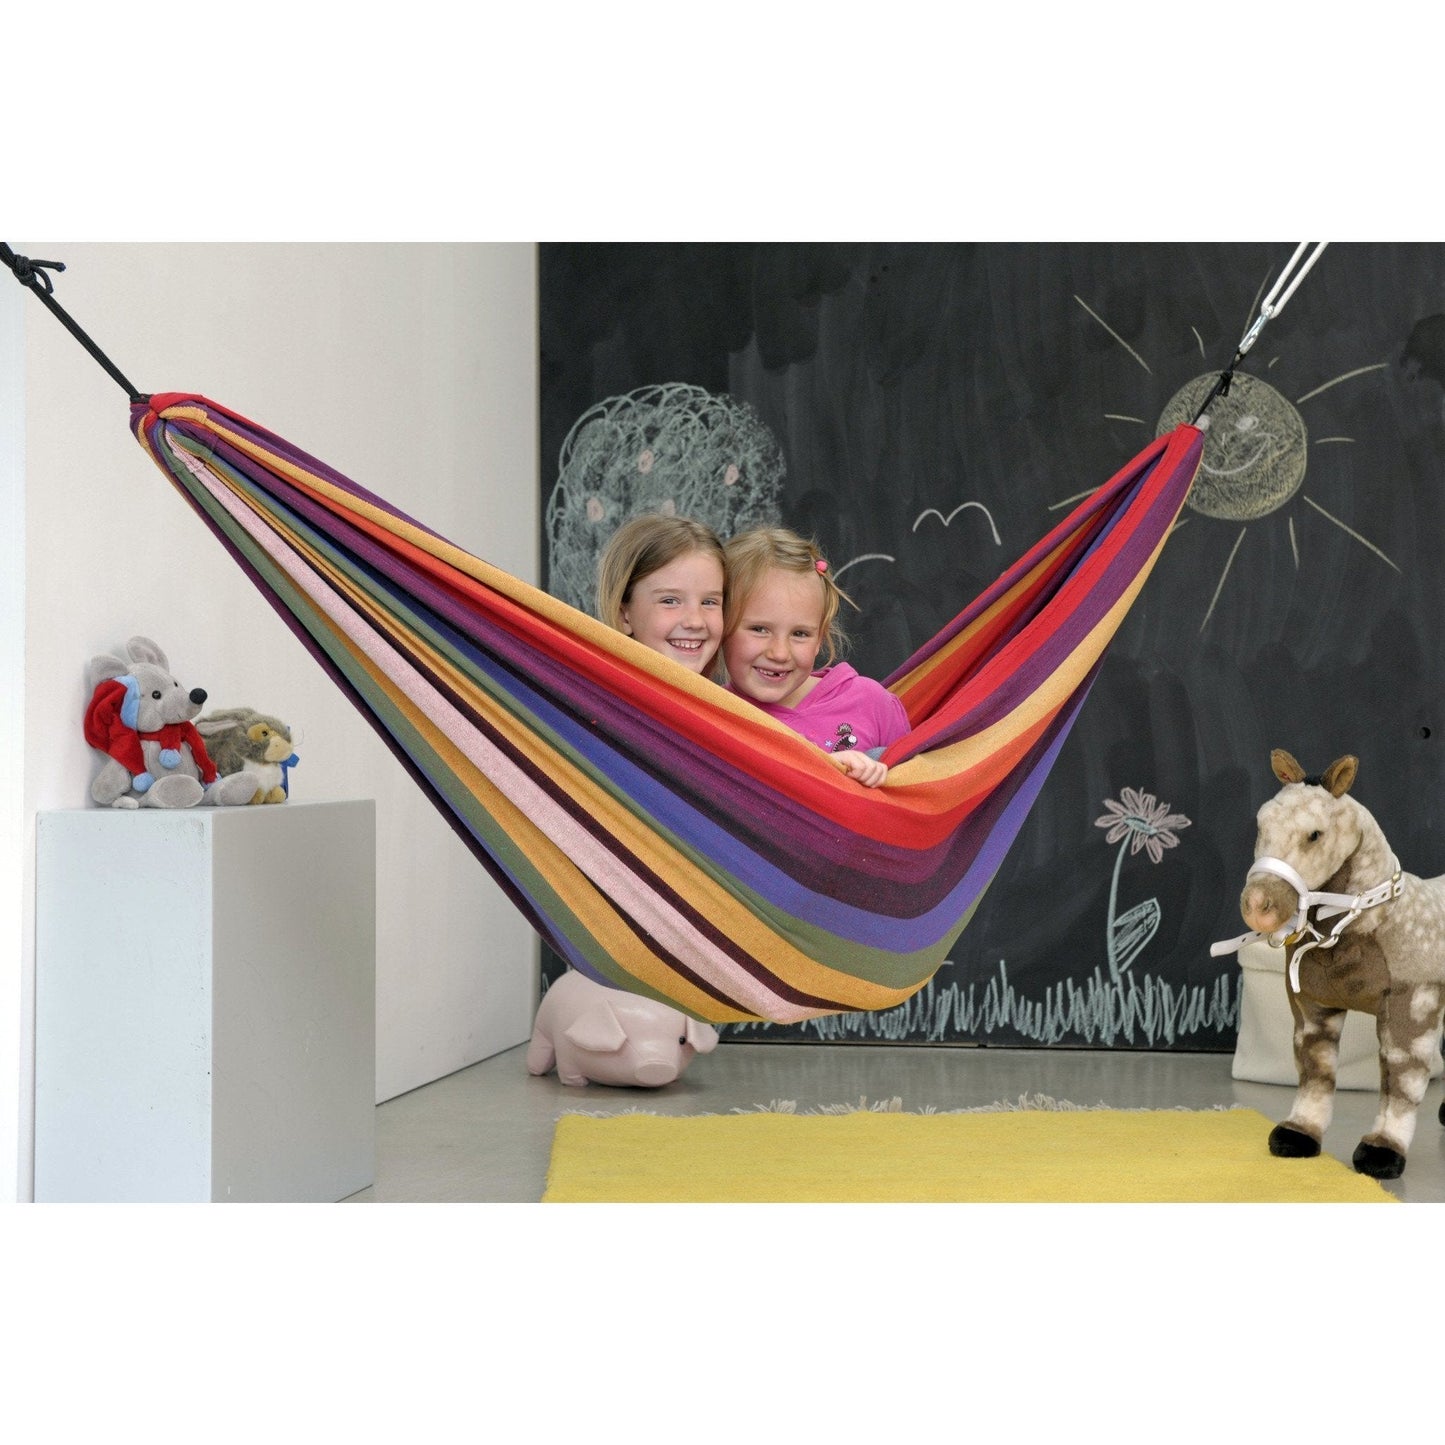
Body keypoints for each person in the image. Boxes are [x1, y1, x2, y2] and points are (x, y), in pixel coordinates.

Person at [721, 526, 909, 786]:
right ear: (721, 626)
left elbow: (916, 791)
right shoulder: (715, 715)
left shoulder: (870, 702)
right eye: (759, 629)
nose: (779, 653)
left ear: (820, 638)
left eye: (800, 634)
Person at [595, 514, 727, 677]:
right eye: (670, 601)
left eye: (708, 602)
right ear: (623, 616)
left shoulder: (724, 701)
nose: (695, 622)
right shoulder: (593, 699)